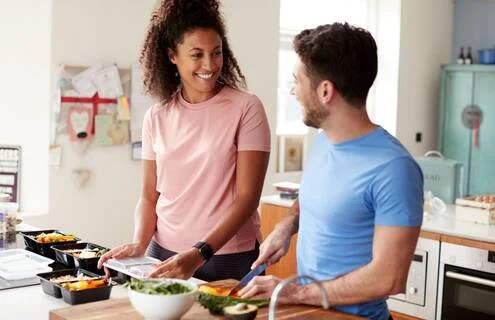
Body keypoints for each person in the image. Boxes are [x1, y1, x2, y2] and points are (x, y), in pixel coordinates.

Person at [239, 23, 423, 320]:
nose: (292, 90)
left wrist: (294, 292)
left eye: (297, 81)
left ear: (326, 91)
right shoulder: (325, 140)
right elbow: (315, 196)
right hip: (311, 313)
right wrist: (287, 226)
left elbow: (389, 278)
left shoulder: (394, 169)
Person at [97, 0, 270, 282]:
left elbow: (247, 198)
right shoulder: (157, 115)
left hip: (226, 258)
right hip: (161, 254)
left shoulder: (246, 108)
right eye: (197, 54)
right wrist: (139, 244)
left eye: (216, 53)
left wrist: (199, 252)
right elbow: (149, 195)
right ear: (172, 55)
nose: (209, 64)